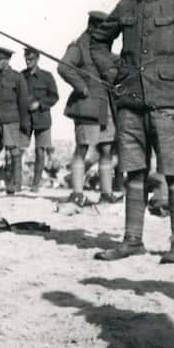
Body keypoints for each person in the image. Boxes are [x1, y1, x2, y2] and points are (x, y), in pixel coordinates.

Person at [90, 0, 174, 264]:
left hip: (169, 104)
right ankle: (131, 241)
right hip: (130, 104)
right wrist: (113, 73)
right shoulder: (126, 6)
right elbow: (98, 41)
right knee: (134, 173)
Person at [58, 11, 118, 206]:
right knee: (82, 148)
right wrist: (81, 87)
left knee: (106, 148)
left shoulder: (104, 47)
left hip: (104, 105)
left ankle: (106, 194)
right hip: (87, 105)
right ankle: (76, 193)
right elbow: (64, 67)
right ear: (92, 26)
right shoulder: (78, 46)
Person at [0, 46, 29, 195]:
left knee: (14, 153)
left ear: (8, 60)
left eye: (1, 60)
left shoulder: (17, 77)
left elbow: (23, 102)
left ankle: (15, 185)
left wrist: (24, 123)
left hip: (11, 119)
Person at [20, 47, 59, 193]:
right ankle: (16, 183)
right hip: (25, 120)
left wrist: (40, 104)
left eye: (31, 59)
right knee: (18, 151)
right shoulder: (21, 76)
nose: (28, 61)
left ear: (37, 59)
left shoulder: (47, 76)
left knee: (40, 151)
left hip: (42, 119)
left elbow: (54, 96)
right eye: (26, 58)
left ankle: (35, 184)